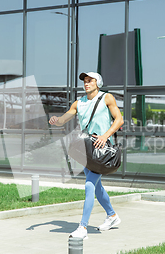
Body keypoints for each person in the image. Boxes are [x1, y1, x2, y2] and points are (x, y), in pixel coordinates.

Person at [49, 72, 124, 239]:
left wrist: (105, 136)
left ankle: (82, 228)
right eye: (85, 81)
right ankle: (112, 216)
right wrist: (56, 119)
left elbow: (119, 120)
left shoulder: (107, 98)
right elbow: (64, 119)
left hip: (102, 149)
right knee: (97, 188)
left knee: (90, 185)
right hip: (87, 149)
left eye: (90, 80)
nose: (86, 83)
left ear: (98, 83)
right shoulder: (79, 103)